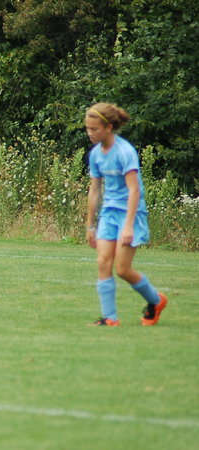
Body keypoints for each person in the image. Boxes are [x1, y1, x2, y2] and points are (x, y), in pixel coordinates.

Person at [85, 102, 166, 326]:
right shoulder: (95, 154)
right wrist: (90, 225)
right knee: (103, 262)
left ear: (109, 127)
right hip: (109, 214)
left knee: (122, 269)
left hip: (131, 213)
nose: (90, 133)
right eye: (88, 128)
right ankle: (110, 318)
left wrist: (128, 226)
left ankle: (156, 300)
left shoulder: (124, 151)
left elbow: (134, 190)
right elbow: (95, 190)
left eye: (95, 129)